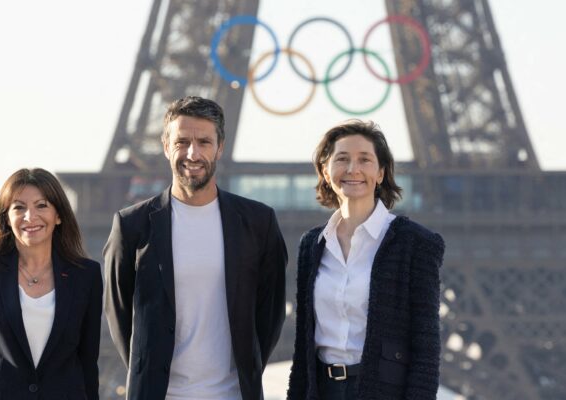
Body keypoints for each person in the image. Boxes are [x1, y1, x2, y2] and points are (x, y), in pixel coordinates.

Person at [104, 95, 288, 400]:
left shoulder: (258, 223)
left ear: (220, 147)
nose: (193, 153)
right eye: (182, 142)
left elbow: (269, 315)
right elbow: (119, 318)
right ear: (166, 146)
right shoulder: (131, 226)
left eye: (204, 141)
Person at [287, 121, 444, 400]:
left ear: (381, 172)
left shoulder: (415, 243)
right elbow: (303, 347)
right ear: (325, 170)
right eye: (342, 159)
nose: (353, 169)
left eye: (364, 160)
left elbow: (426, 347)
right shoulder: (312, 246)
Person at [0, 168, 103, 400]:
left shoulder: (86, 275)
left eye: (41, 205)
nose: (30, 216)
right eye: (19, 207)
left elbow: (87, 364)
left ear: (59, 215)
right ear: (6, 216)